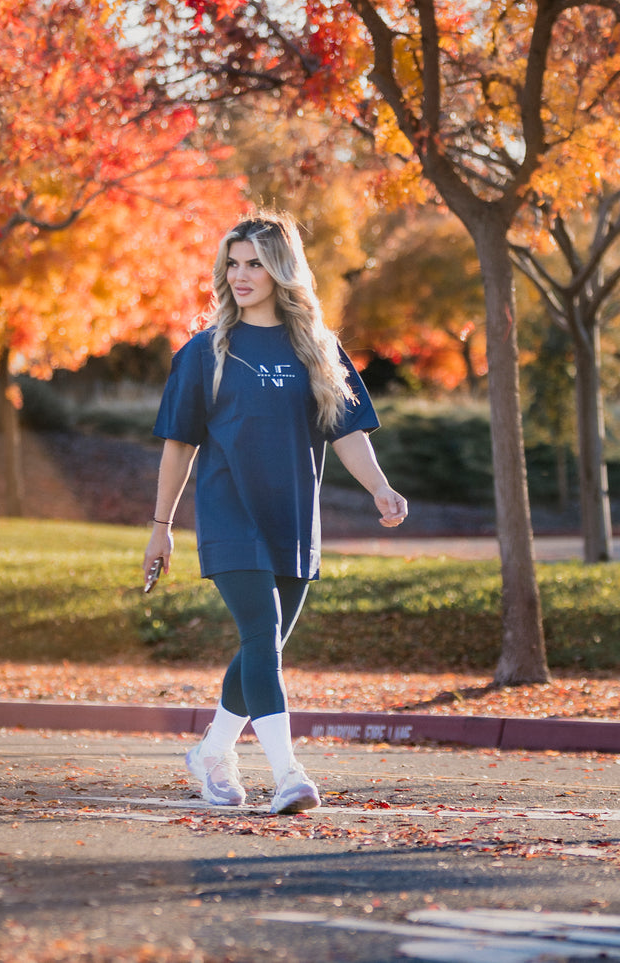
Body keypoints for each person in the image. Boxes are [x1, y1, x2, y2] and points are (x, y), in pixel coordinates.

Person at [143, 211, 408, 815]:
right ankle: (289, 775)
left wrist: (379, 488)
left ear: (282, 269)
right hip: (228, 512)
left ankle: (213, 750)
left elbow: (346, 431)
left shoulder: (317, 348)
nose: (240, 274)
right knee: (262, 637)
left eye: (255, 262)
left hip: (292, 516)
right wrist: (160, 529)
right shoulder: (204, 353)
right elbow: (178, 444)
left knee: (262, 647)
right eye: (233, 263)